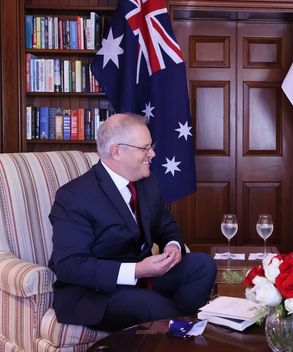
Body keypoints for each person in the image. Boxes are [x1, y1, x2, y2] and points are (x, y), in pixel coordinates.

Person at [48, 113, 216, 332]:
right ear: (117, 151)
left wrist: (172, 245)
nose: (153, 154)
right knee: (153, 306)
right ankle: (178, 327)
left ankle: (173, 328)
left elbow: (165, 224)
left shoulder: (147, 182)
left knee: (202, 265)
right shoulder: (74, 196)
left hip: (142, 279)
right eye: (145, 148)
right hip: (96, 293)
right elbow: (70, 266)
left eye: (151, 146)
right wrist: (136, 270)